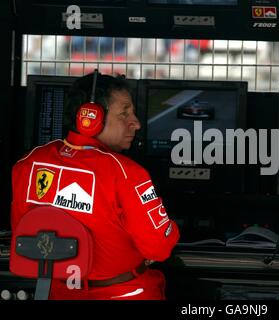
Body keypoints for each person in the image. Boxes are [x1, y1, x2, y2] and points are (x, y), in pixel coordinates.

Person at [11, 72, 180, 300]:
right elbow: (159, 248)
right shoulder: (125, 171)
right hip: (126, 293)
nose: (136, 123)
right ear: (89, 117)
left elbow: (25, 240)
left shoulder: (28, 163)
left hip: (56, 293)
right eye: (124, 113)